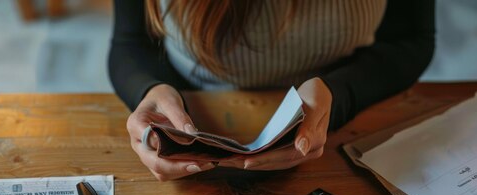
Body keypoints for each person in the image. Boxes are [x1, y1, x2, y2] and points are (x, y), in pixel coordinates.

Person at [109, 0, 435, 181]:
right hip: (191, 121)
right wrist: (150, 90)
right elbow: (131, 41)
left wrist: (339, 93)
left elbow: (409, 40)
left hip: (334, 129)